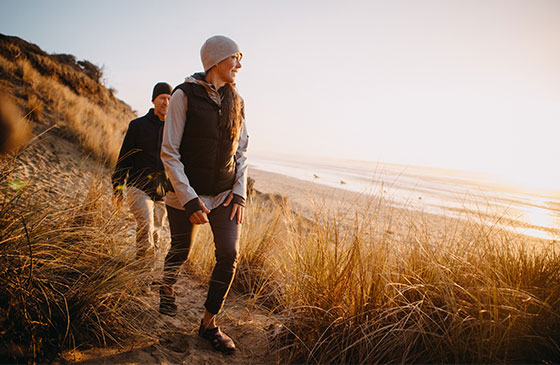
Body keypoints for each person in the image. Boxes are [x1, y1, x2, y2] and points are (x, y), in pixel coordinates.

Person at [159, 35, 248, 354]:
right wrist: (189, 198)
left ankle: (209, 324)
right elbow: (169, 152)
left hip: (224, 194)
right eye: (235, 57)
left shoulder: (238, 101)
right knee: (181, 250)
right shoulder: (184, 95)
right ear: (215, 60)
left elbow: (242, 151)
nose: (240, 64)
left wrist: (239, 193)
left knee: (229, 254)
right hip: (187, 193)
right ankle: (167, 287)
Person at [112, 82, 173, 268]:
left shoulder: (173, 130)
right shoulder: (138, 125)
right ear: (154, 99)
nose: (166, 102)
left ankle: (146, 270)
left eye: (170, 99)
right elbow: (124, 158)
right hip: (137, 186)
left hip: (161, 190)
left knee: (156, 233)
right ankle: (142, 275)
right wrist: (118, 189)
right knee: (146, 227)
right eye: (162, 98)